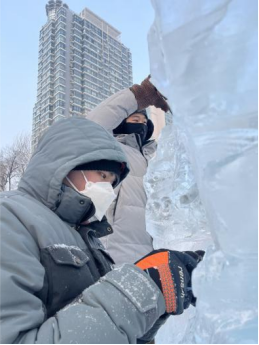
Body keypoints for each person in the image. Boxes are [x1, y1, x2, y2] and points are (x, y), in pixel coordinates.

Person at [0, 116, 203, 344]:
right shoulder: (10, 218)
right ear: (66, 164)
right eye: (103, 175)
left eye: (113, 182)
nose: (108, 188)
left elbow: (111, 331)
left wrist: (155, 299)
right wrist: (137, 290)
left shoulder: (89, 238)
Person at [87, 75, 171, 265]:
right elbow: (91, 125)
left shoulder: (156, 156)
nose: (140, 124)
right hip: (114, 251)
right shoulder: (108, 149)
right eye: (134, 118)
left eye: (144, 121)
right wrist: (142, 94)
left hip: (154, 255)